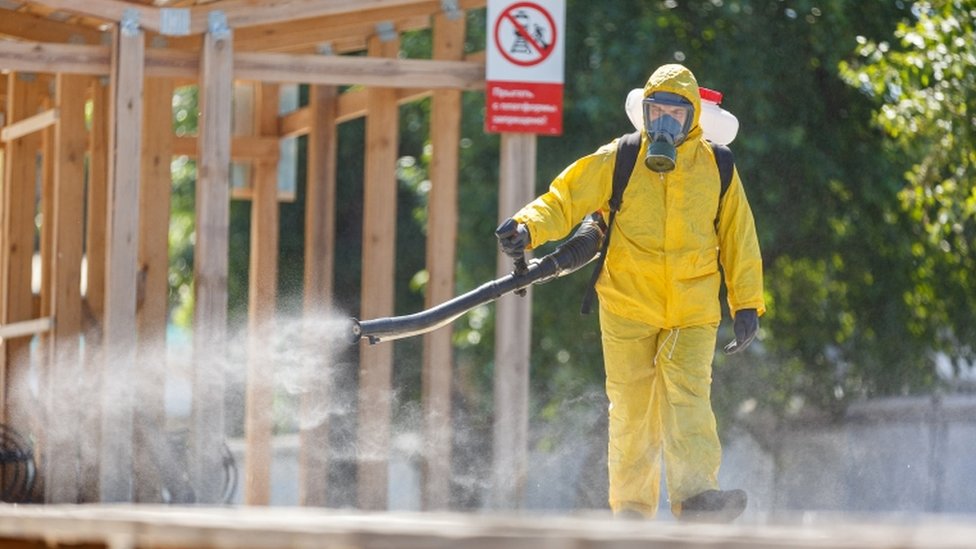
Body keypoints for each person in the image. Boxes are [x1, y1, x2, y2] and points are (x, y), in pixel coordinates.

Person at [495, 64, 765, 522]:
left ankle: (697, 499)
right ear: (644, 112)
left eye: (674, 114)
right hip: (626, 307)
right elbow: (564, 198)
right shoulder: (619, 157)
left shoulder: (718, 166)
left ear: (693, 117)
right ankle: (634, 510)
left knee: (688, 398)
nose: (664, 122)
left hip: (692, 311)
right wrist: (526, 226)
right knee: (632, 411)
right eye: (655, 111)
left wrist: (747, 304)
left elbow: (740, 238)